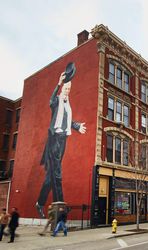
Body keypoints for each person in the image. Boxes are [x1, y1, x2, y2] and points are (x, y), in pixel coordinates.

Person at [35, 63, 86, 218]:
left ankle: (39, 203)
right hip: (54, 141)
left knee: (50, 177)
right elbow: (50, 102)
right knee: (57, 174)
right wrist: (58, 84)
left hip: (63, 140)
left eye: (69, 89)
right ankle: (61, 207)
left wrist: (77, 126)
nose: (67, 91)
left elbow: (67, 122)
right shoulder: (57, 101)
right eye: (65, 89)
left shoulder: (67, 104)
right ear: (62, 89)